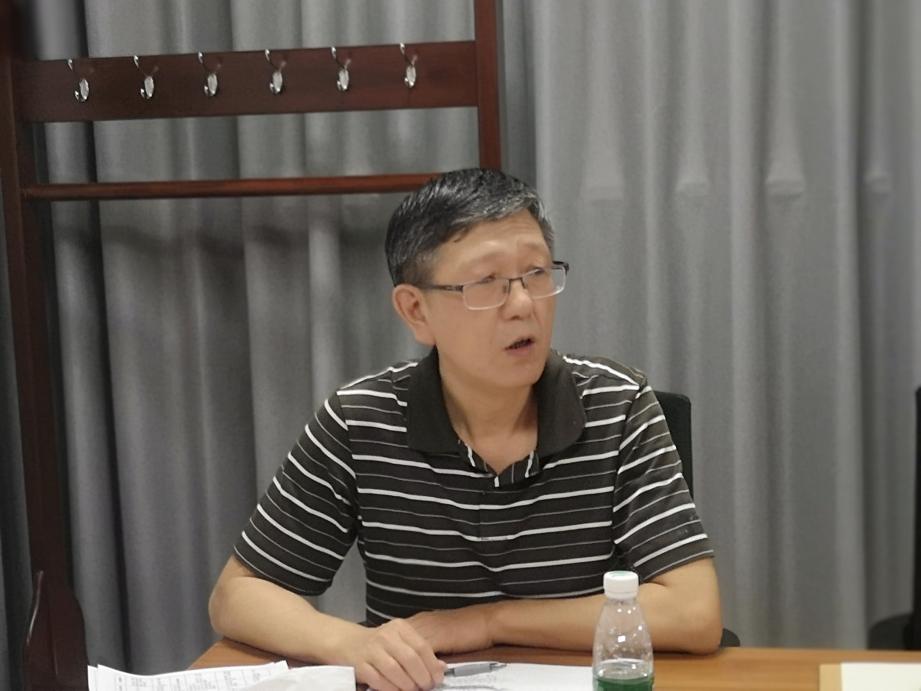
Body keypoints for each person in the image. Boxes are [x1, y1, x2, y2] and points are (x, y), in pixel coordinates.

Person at [209, 168, 722, 691]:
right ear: (416, 311)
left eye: (537, 273)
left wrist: (486, 621)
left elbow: (694, 612)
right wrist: (352, 643)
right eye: (487, 284)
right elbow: (237, 594)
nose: (523, 305)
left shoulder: (617, 406)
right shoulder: (361, 421)